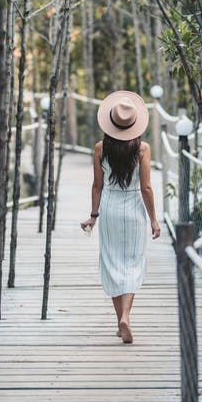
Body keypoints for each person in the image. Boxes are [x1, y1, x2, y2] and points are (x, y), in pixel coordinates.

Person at [81, 91, 161, 344]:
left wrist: (93, 216)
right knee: (132, 264)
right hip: (134, 210)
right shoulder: (143, 149)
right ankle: (126, 316)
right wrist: (154, 220)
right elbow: (146, 187)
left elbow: (97, 186)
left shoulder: (100, 148)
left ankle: (120, 321)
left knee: (113, 262)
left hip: (111, 209)